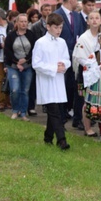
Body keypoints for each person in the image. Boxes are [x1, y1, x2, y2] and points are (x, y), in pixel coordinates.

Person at [32, 12, 71, 150]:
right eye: (56, 28)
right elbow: (36, 64)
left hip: (59, 81)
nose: (59, 31)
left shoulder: (62, 42)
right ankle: (62, 140)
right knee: (55, 111)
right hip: (47, 81)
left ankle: (48, 137)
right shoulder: (40, 43)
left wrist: (64, 65)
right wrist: (53, 68)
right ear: (48, 27)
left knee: (54, 111)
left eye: (60, 28)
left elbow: (67, 59)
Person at [54, 0, 86, 128]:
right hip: (62, 58)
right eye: (77, 0)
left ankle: (77, 119)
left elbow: (81, 35)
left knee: (78, 89)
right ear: (71, 0)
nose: (78, 2)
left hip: (76, 58)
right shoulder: (56, 15)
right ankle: (61, 119)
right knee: (63, 89)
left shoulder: (77, 16)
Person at [72, 10, 101, 137]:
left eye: (97, 18)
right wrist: (92, 65)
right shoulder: (83, 38)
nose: (94, 20)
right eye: (91, 18)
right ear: (87, 21)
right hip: (87, 73)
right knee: (86, 100)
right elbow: (79, 57)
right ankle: (87, 127)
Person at [4, 13, 38, 121]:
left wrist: (26, 59)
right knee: (15, 89)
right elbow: (7, 50)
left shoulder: (31, 35)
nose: (23, 23)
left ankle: (23, 112)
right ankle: (15, 110)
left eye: (25, 21)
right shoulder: (11, 35)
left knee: (25, 90)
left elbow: (35, 49)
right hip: (13, 66)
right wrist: (17, 62)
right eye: (21, 21)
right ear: (17, 23)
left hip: (27, 66)